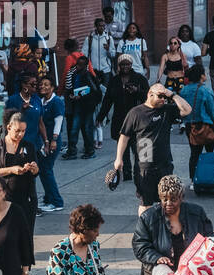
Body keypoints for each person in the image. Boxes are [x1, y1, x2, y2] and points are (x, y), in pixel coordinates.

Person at [114, 83, 192, 214]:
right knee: (146, 203)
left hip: (165, 164)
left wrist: (171, 94)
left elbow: (187, 110)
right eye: (160, 96)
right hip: (145, 166)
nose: (163, 99)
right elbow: (124, 137)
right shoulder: (136, 113)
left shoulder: (167, 110)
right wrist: (118, 159)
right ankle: (144, 231)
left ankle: (164, 229)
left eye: (164, 97)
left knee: (167, 200)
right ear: (150, 94)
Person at [0, 111, 41, 237]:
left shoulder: (29, 146)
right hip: (4, 199)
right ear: (9, 127)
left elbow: (36, 172)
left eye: (23, 131)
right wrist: (11, 170)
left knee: (25, 237)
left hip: (26, 200)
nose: (20, 134)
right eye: (17, 131)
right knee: (5, 236)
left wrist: (34, 169)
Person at [96, 54, 147, 182]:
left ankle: (139, 173)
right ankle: (127, 173)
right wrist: (101, 116)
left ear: (131, 64)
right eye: (122, 64)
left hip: (136, 119)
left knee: (137, 149)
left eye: (127, 64)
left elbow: (149, 96)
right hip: (120, 119)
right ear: (119, 66)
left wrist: (137, 91)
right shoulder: (114, 80)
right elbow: (107, 100)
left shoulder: (139, 78)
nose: (125, 67)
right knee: (123, 149)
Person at [183, 63, 214, 181]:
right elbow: (212, 110)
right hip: (206, 126)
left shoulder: (184, 90)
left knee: (195, 154)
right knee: (212, 153)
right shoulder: (205, 90)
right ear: (201, 76)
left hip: (190, 126)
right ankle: (212, 177)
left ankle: (193, 179)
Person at [62, 52, 102, 160]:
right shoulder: (76, 75)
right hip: (78, 106)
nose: (77, 67)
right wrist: (72, 95)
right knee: (75, 129)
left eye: (80, 65)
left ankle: (89, 151)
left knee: (86, 129)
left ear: (86, 66)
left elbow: (94, 92)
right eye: (77, 64)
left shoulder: (87, 75)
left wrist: (82, 97)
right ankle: (73, 151)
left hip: (87, 107)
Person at [36, 75, 66, 214]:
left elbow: (58, 122)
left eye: (46, 84)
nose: (43, 86)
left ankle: (56, 201)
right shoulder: (42, 101)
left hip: (52, 141)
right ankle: (48, 198)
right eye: (41, 84)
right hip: (44, 140)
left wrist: (54, 140)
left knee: (46, 170)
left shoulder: (56, 102)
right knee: (44, 170)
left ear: (53, 87)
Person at [8, 73, 48, 160]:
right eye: (32, 84)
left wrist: (46, 141)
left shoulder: (36, 99)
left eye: (36, 84)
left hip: (34, 143)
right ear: (24, 85)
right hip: (19, 143)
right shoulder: (13, 100)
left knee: (34, 170)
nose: (35, 87)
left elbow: (40, 122)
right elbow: (9, 122)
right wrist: (21, 111)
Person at [82, 17, 114, 85]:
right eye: (100, 26)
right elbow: (84, 54)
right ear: (95, 26)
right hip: (93, 70)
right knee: (94, 91)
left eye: (103, 26)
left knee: (105, 91)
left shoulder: (108, 38)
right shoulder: (89, 39)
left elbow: (113, 55)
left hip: (106, 70)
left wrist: (108, 50)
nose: (102, 28)